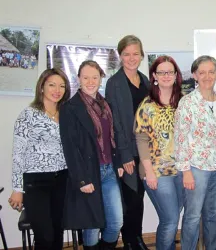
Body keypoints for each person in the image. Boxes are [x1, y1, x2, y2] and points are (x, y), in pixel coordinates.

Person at [60, 60, 124, 250]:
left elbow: (113, 137)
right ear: (78, 79)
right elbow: (70, 148)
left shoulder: (106, 105)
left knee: (115, 223)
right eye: (86, 77)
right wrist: (82, 180)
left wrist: (118, 162)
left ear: (100, 78)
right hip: (88, 174)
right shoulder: (69, 108)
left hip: (109, 171)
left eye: (94, 77)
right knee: (92, 225)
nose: (90, 81)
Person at [8, 68, 70, 250]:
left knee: (58, 233)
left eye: (61, 86)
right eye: (52, 85)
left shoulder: (66, 114)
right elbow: (18, 154)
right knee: (45, 236)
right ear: (42, 87)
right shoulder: (28, 115)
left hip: (63, 179)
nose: (57, 90)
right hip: (36, 182)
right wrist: (17, 189)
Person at [134, 55, 184, 250]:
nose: (165, 76)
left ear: (175, 75)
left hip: (181, 170)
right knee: (171, 220)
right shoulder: (147, 105)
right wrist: (149, 172)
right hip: (156, 171)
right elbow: (141, 138)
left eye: (169, 72)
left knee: (172, 216)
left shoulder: (184, 102)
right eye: (161, 72)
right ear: (154, 75)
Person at [105, 35, 150, 250]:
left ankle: (137, 237)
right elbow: (114, 123)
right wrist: (124, 155)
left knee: (139, 198)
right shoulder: (114, 83)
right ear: (120, 56)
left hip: (146, 151)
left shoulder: (145, 80)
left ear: (141, 55)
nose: (131, 58)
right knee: (130, 199)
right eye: (126, 54)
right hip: (127, 152)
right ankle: (130, 241)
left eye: (135, 53)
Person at [174, 55, 216, 250]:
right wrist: (185, 171)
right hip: (195, 168)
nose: (207, 76)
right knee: (193, 215)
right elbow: (180, 138)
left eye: (211, 71)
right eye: (202, 72)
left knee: (213, 213)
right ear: (195, 75)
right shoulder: (187, 103)